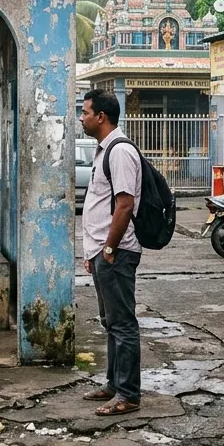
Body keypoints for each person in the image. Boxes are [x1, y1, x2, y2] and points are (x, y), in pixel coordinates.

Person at [79, 89, 145, 417]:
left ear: (101, 117)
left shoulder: (119, 152)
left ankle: (128, 393)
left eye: (85, 112)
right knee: (110, 322)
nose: (82, 117)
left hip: (116, 252)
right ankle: (113, 383)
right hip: (103, 253)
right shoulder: (104, 150)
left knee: (122, 323)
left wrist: (108, 248)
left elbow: (124, 204)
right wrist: (93, 252)